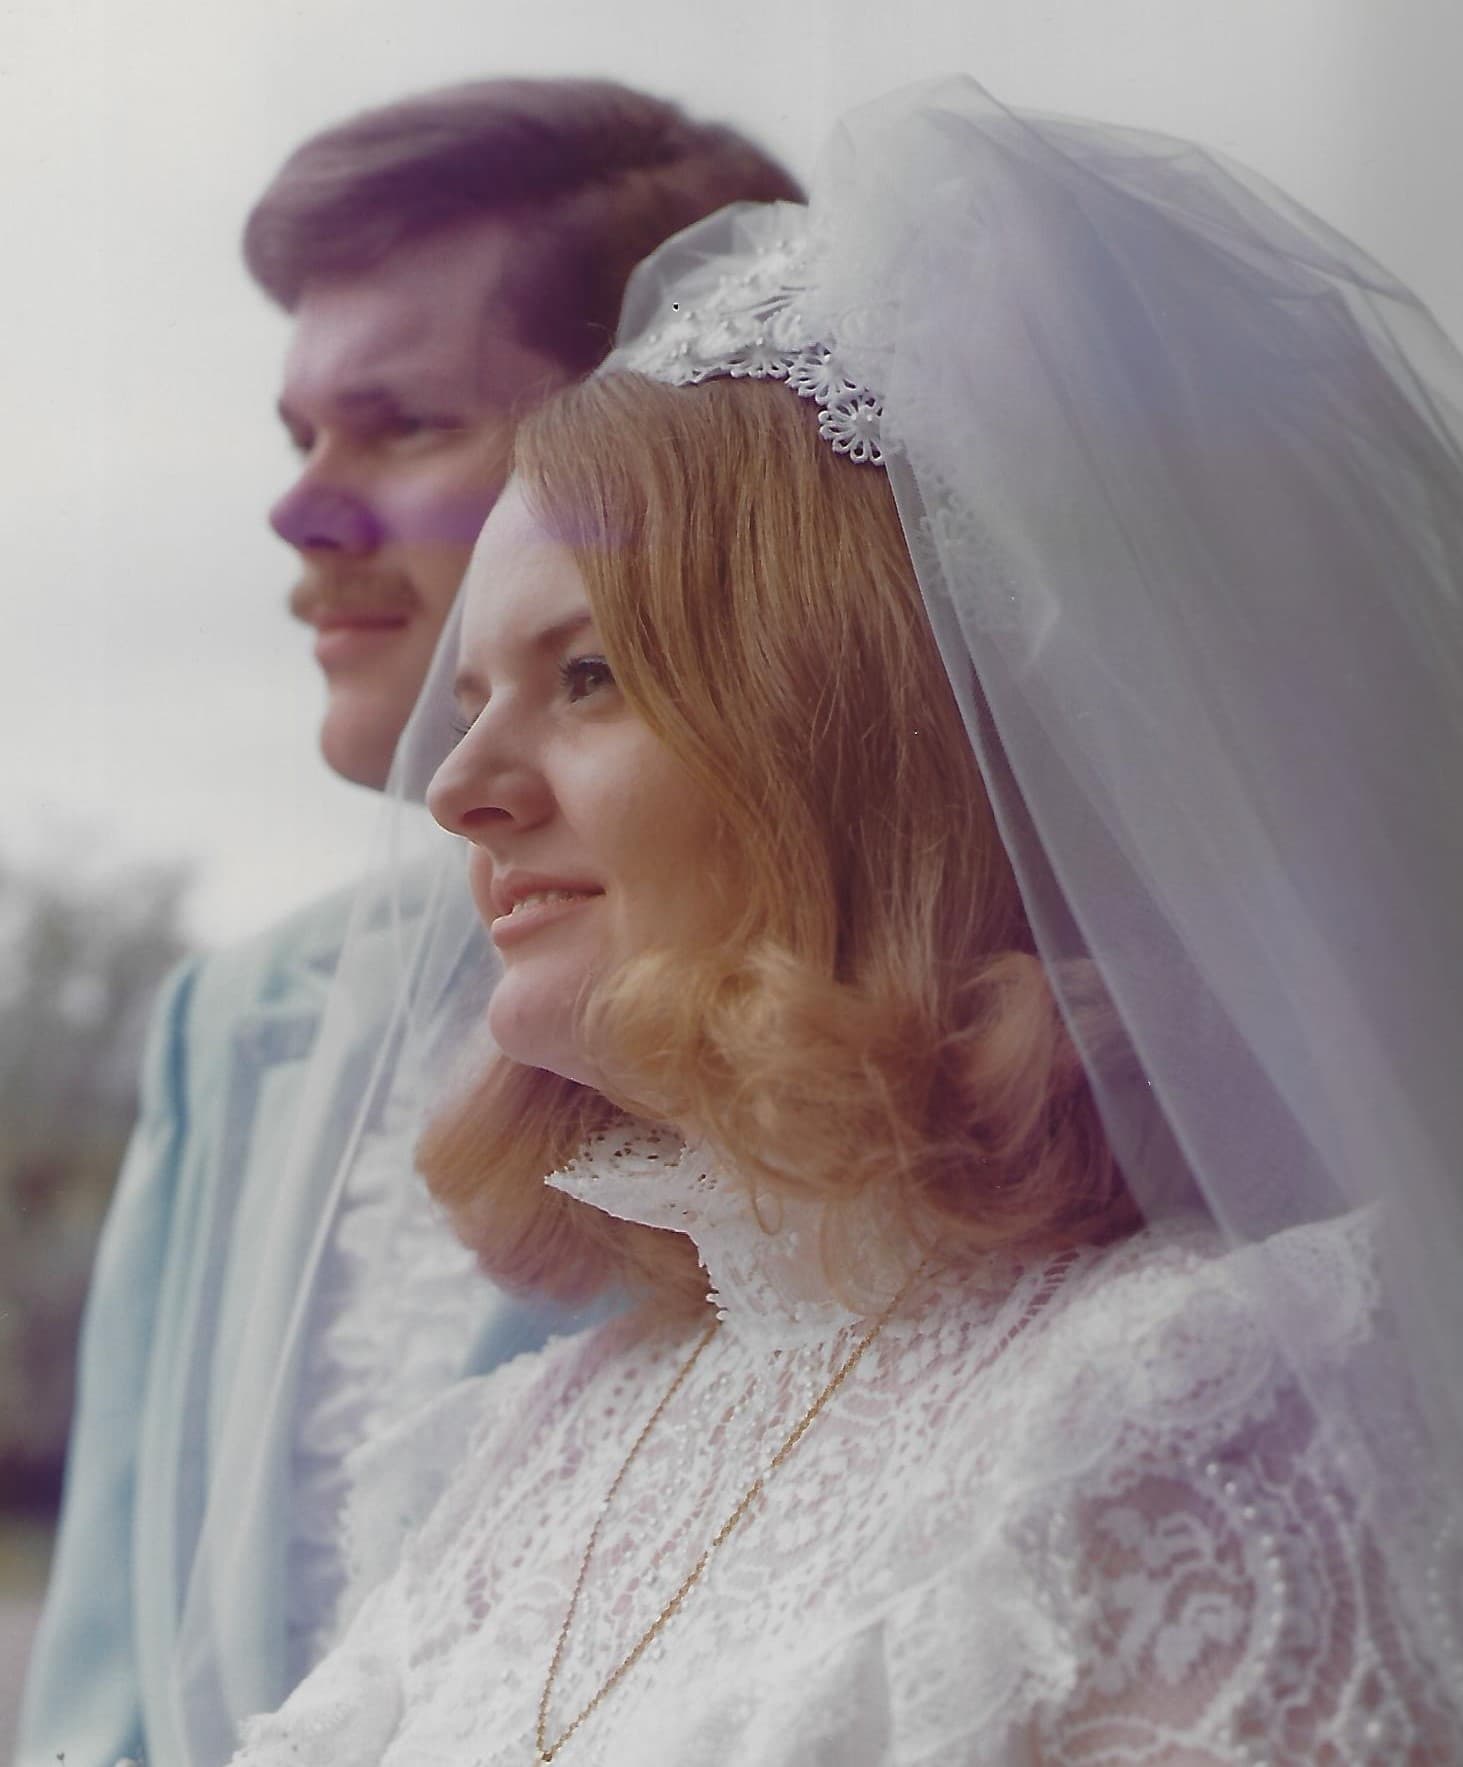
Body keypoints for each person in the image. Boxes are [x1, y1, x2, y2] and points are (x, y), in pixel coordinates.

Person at [222, 77, 1463, 1764]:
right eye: (475, 694)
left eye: (589, 676)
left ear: (857, 742)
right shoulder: (519, 1449)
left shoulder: (1202, 1408)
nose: (463, 787)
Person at [17, 79, 800, 1767]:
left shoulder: (938, 1027)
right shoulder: (234, 1025)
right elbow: (107, 1693)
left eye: (402, 424)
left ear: (668, 456)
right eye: (298, 435)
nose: (302, 510)